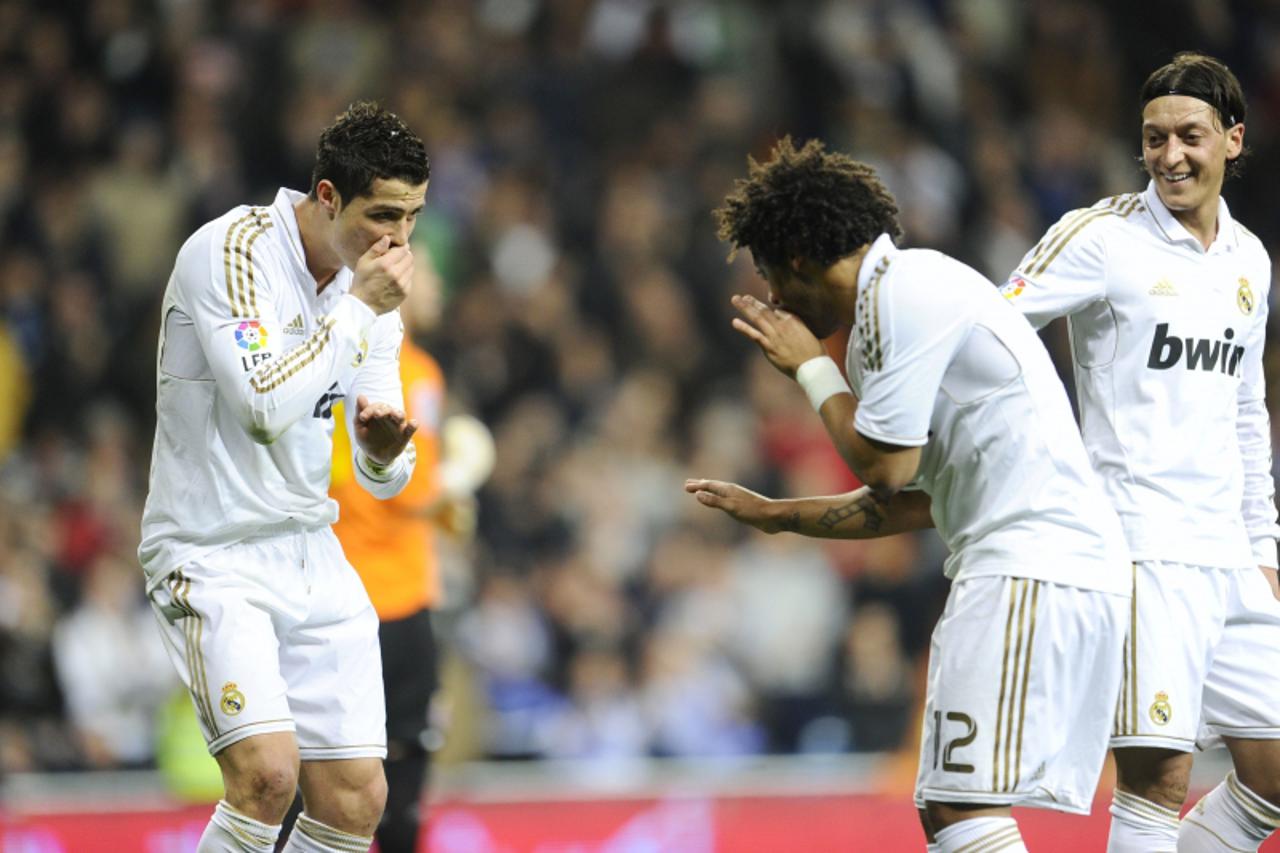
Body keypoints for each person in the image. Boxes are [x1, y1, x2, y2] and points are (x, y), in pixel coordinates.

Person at [685, 137, 1131, 853]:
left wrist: (810, 372)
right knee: (949, 807)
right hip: (1032, 563)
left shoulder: (906, 292)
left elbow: (887, 467)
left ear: (799, 255)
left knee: (959, 806)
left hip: (1031, 562)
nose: (772, 297)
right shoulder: (875, 326)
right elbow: (919, 498)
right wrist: (776, 516)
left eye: (769, 273)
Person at [1002, 52, 1280, 853]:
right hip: (1140, 550)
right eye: (1153, 138)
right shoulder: (1099, 238)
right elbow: (992, 326)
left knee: (1272, 773)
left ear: (1233, 139)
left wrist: (1261, 544)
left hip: (1228, 554)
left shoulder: (1249, 260)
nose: (1169, 156)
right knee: (1159, 779)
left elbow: (1246, 409)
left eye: (1189, 136)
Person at [138, 101, 429, 853]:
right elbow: (265, 405)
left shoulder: (373, 293)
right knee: (267, 776)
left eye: (414, 217)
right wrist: (361, 306)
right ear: (327, 196)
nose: (399, 241)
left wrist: (385, 450)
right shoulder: (229, 252)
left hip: (310, 545)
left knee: (358, 799)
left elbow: (385, 475)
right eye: (384, 215)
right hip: (212, 549)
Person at [325, 253, 474, 851]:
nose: (438, 287)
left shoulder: (332, 363)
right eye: (431, 275)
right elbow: (405, 487)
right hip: (393, 600)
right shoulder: (413, 374)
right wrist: (455, 488)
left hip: (338, 594)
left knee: (328, 774)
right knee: (403, 776)